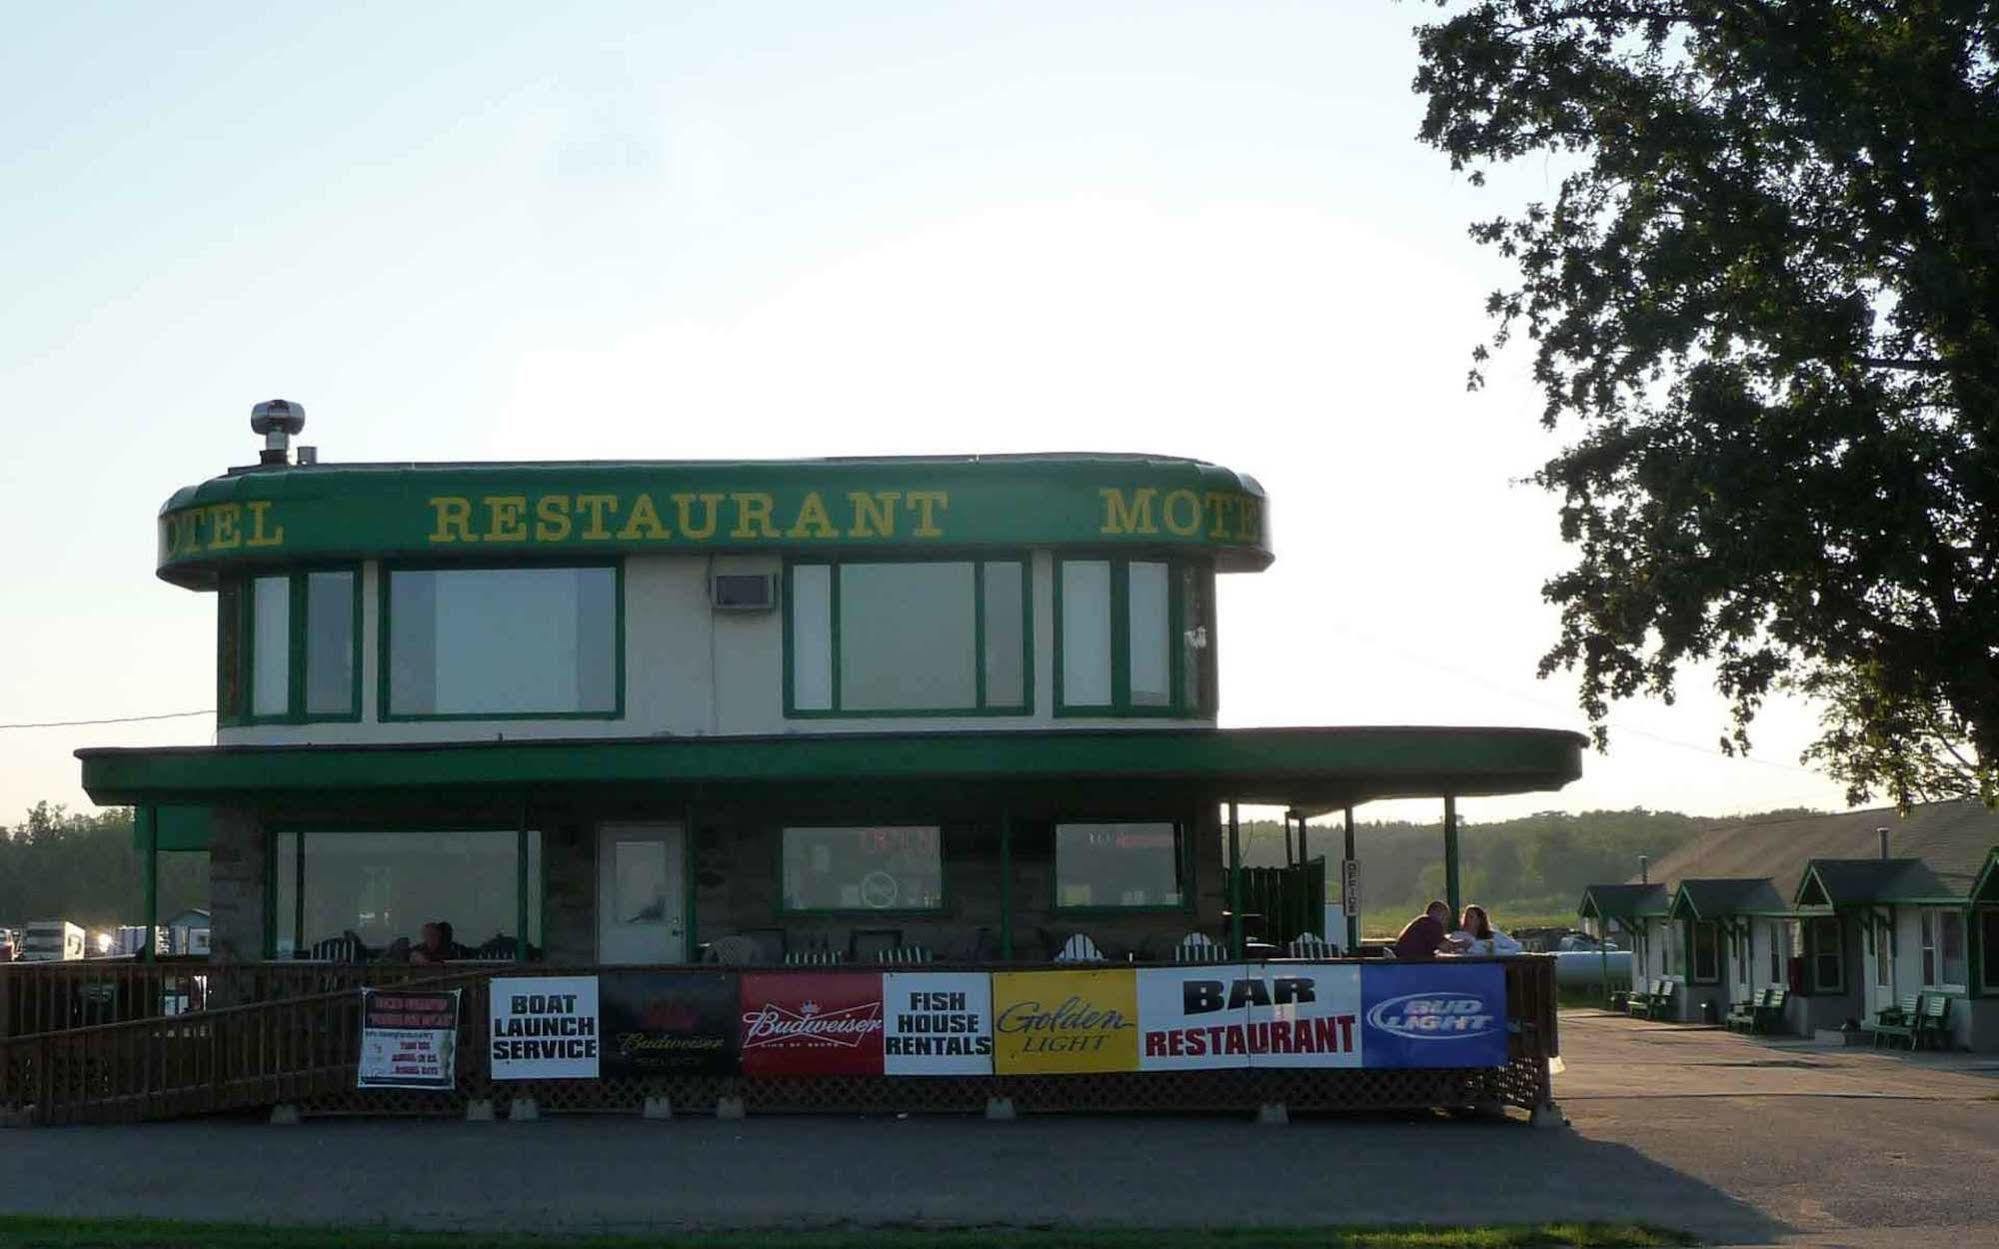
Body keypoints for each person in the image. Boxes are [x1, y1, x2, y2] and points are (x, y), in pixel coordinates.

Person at [1392, 899, 1456, 959]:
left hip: (1405, 960)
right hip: (1412, 962)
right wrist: (1460, 946)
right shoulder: (1432, 924)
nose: (1446, 922)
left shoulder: (1422, 922)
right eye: (1446, 917)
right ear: (1441, 914)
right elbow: (1445, 946)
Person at [1452, 904, 1523, 956]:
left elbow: (1517, 947)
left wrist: (1495, 951)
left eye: (1471, 917)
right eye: (1466, 917)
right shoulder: (1458, 935)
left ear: (1479, 921)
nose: (1467, 920)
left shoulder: (1493, 935)